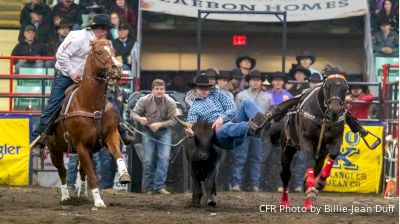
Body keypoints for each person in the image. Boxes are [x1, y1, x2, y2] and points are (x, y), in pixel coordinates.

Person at [29, 14, 120, 156]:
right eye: (105, 29)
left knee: (111, 100)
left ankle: (121, 128)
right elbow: (61, 55)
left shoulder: (106, 43)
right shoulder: (78, 37)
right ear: (99, 29)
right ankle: (38, 139)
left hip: (90, 80)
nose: (106, 32)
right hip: (66, 76)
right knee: (54, 106)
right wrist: (72, 73)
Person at [184, 74, 270, 150]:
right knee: (224, 128)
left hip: (235, 125)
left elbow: (233, 108)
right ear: (195, 88)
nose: (204, 90)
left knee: (246, 101)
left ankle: (263, 122)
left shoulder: (218, 94)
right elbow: (191, 125)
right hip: (219, 136)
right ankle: (254, 127)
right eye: (201, 88)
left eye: (206, 87)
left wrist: (222, 118)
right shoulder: (194, 108)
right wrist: (190, 131)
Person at [130, 79, 177, 195]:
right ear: (152, 90)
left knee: (164, 157)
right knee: (147, 160)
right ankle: (148, 187)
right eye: (157, 89)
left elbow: (174, 120)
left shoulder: (170, 102)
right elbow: (133, 113)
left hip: (164, 132)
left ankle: (159, 186)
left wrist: (160, 124)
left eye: (161, 89)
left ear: (165, 90)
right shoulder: (144, 100)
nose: (159, 91)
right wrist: (140, 119)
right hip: (147, 131)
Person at [231, 70, 272, 192]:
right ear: (248, 81)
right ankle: (236, 184)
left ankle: (255, 185)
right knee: (240, 158)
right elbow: (236, 114)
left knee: (256, 159)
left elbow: (268, 115)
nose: (255, 82)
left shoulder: (267, 97)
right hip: (244, 130)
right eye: (253, 80)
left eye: (258, 80)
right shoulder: (241, 95)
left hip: (259, 132)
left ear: (261, 82)